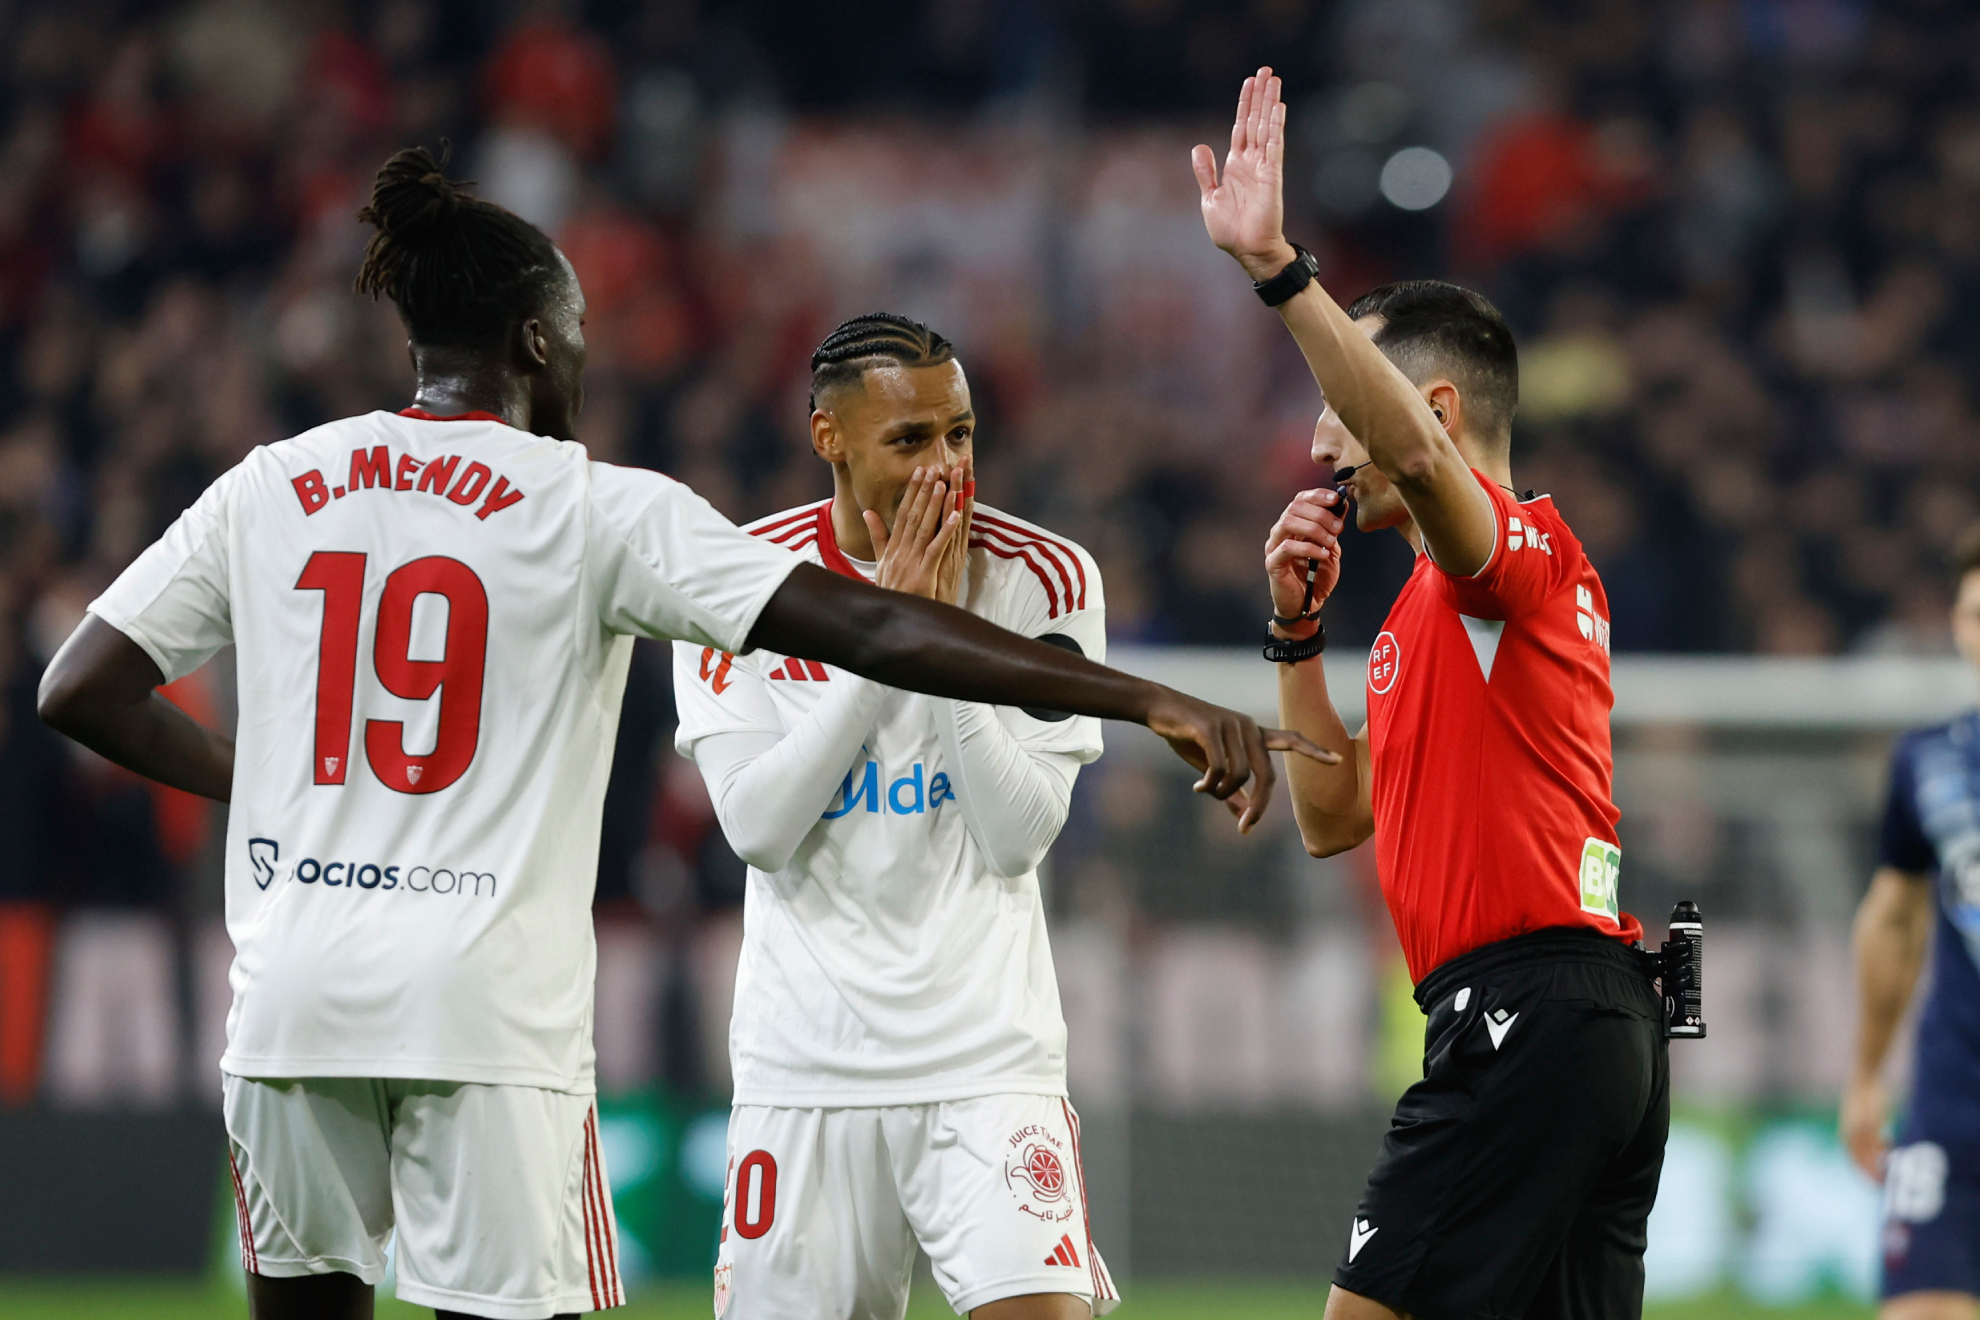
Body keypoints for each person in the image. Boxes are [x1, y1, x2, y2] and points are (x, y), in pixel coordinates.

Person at [35, 148, 1322, 1320]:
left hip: (291, 1000)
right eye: (580, 337)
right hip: (484, 1010)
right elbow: (868, 637)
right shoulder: (591, 506)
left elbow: (78, 688)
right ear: (537, 340)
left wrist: (267, 788)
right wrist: (1148, 698)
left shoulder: (274, 482)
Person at [1194, 70, 1668, 1320]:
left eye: (1337, 405)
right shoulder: (1427, 610)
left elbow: (1406, 450)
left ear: (1433, 408)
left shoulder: (1518, 551)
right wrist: (1296, 635)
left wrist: (1278, 270)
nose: (1319, 444)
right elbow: (1332, 819)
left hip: (1531, 1008)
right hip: (1569, 1017)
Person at [675, 313, 1115, 1320]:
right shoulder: (740, 582)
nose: (947, 466)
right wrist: (887, 639)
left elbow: (1018, 838)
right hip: (804, 1071)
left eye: (960, 433)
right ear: (828, 437)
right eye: (910, 439)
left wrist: (940, 629)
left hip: (987, 1063)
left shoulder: (1045, 577)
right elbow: (757, 828)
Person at [1844, 527, 1980, 1320]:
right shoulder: (1928, 761)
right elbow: (1894, 917)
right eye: (1975, 614)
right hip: (1951, 1106)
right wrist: (1866, 1074)